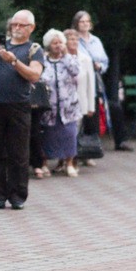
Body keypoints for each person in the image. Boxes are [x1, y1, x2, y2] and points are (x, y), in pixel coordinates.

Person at [0, 9, 44, 209]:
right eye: (14, 24)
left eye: (21, 25)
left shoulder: (34, 49)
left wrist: (13, 61)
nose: (17, 28)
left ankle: (17, 196)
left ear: (31, 28)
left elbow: (34, 75)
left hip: (18, 106)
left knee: (18, 153)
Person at [72, 11, 133, 155]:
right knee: (88, 113)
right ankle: (85, 147)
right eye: (82, 21)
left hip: (97, 81)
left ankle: (120, 140)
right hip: (81, 82)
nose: (86, 24)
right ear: (76, 24)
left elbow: (105, 60)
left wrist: (100, 66)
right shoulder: (73, 39)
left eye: (88, 21)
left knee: (114, 107)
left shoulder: (96, 40)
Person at [40, 29, 81, 176]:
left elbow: (76, 71)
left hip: (68, 106)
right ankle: (44, 164)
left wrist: (65, 56)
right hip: (49, 107)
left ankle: (69, 164)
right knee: (47, 135)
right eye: (54, 43)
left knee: (69, 134)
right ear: (48, 45)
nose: (58, 45)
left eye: (60, 43)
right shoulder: (43, 61)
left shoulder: (70, 59)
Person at [64, 28, 96, 169]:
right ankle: (62, 160)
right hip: (63, 102)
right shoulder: (60, 58)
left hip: (80, 101)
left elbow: (91, 84)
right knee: (62, 132)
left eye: (76, 39)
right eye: (71, 39)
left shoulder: (85, 59)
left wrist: (91, 106)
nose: (74, 42)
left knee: (75, 132)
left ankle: (72, 161)